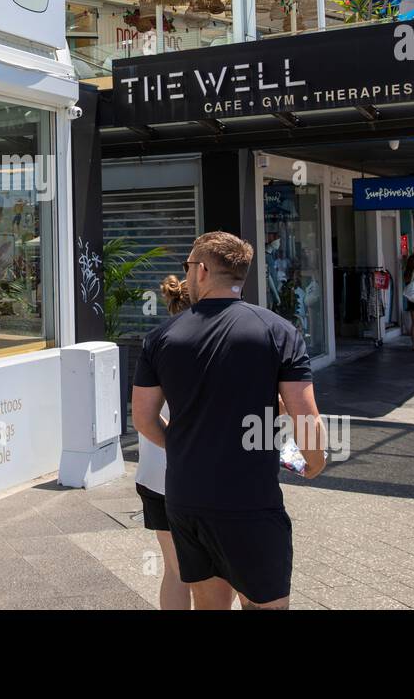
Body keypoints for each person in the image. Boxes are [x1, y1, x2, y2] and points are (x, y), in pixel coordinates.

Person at [133, 231, 327, 611]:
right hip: (250, 500)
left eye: (188, 266)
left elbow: (143, 417)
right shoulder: (278, 331)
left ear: (202, 270)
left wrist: (183, 446)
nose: (186, 274)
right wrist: (315, 464)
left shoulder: (162, 336)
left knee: (209, 605)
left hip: (186, 499)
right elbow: (306, 416)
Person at [134, 274, 191, 610]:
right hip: (195, 476)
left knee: (174, 570)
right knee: (217, 570)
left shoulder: (157, 342)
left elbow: (144, 416)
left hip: (154, 474)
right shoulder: (208, 346)